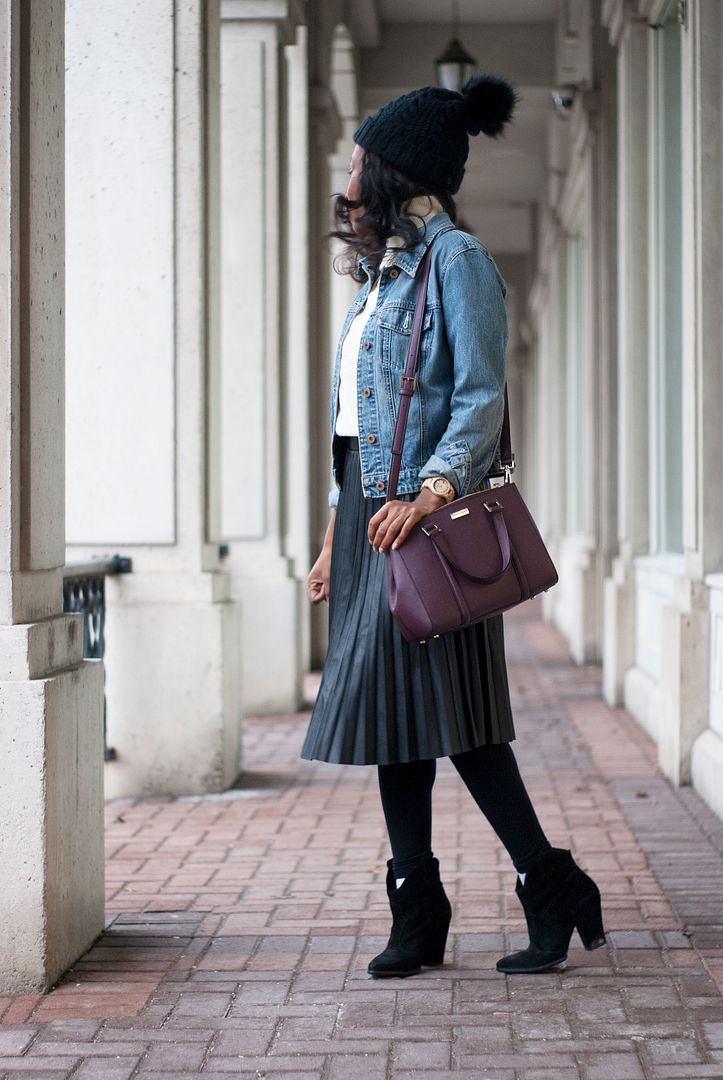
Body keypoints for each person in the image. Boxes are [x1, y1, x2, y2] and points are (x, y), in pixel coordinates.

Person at [303, 74, 606, 978]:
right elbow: (356, 425)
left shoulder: (457, 262)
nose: (351, 176)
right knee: (399, 724)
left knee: (461, 726)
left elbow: (477, 398)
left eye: (363, 158)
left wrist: (428, 494)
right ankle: (418, 907)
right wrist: (332, 534)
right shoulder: (379, 276)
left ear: (398, 170)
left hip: (422, 521)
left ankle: (546, 882)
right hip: (371, 517)